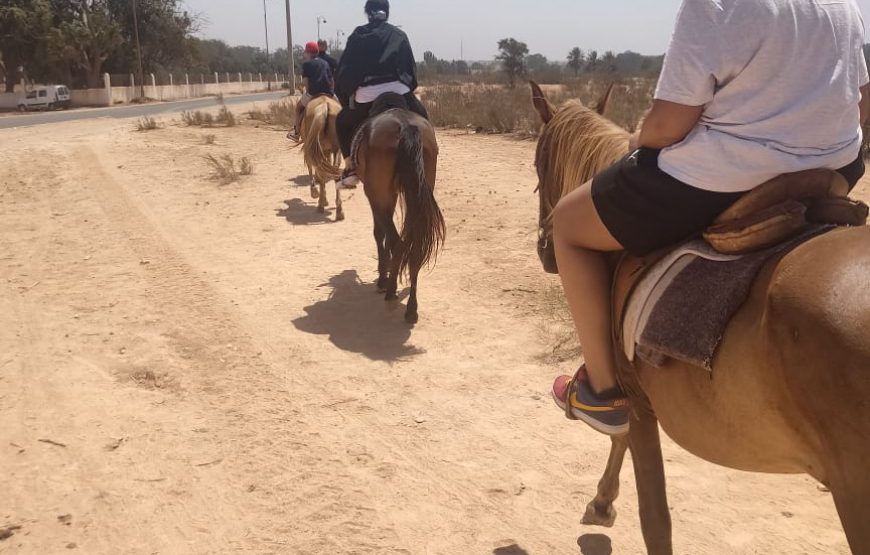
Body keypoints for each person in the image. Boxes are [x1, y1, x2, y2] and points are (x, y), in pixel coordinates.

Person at [550, 0, 870, 436]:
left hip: (728, 175)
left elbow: (667, 126)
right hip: (831, 169)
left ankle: (601, 393)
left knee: (569, 225)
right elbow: (861, 103)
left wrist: (638, 139)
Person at [334, 0, 429, 188]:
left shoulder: (358, 35)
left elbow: (344, 73)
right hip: (399, 91)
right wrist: (407, 86)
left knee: (342, 122)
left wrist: (347, 98)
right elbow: (410, 70)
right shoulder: (399, 35)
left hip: (368, 95)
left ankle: (351, 168)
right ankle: (427, 160)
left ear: (367, 13)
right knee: (423, 117)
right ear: (387, 12)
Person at [289, 41, 335, 141]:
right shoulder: (325, 63)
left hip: (313, 93)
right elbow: (331, 80)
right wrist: (331, 92)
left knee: (298, 108)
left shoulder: (307, 64)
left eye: (305, 52)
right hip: (328, 93)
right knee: (339, 109)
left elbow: (306, 82)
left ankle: (296, 133)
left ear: (308, 53)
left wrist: (308, 92)